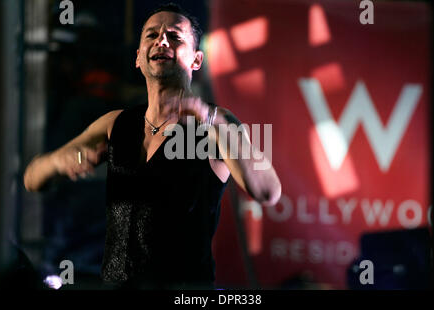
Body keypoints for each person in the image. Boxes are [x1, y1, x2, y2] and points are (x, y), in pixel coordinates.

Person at [23, 3, 281, 289]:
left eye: (175, 36)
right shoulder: (114, 124)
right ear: (137, 58)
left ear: (196, 60)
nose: (161, 41)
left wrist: (211, 121)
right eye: (151, 35)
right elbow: (33, 178)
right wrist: (60, 161)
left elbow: (268, 192)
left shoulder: (215, 123)